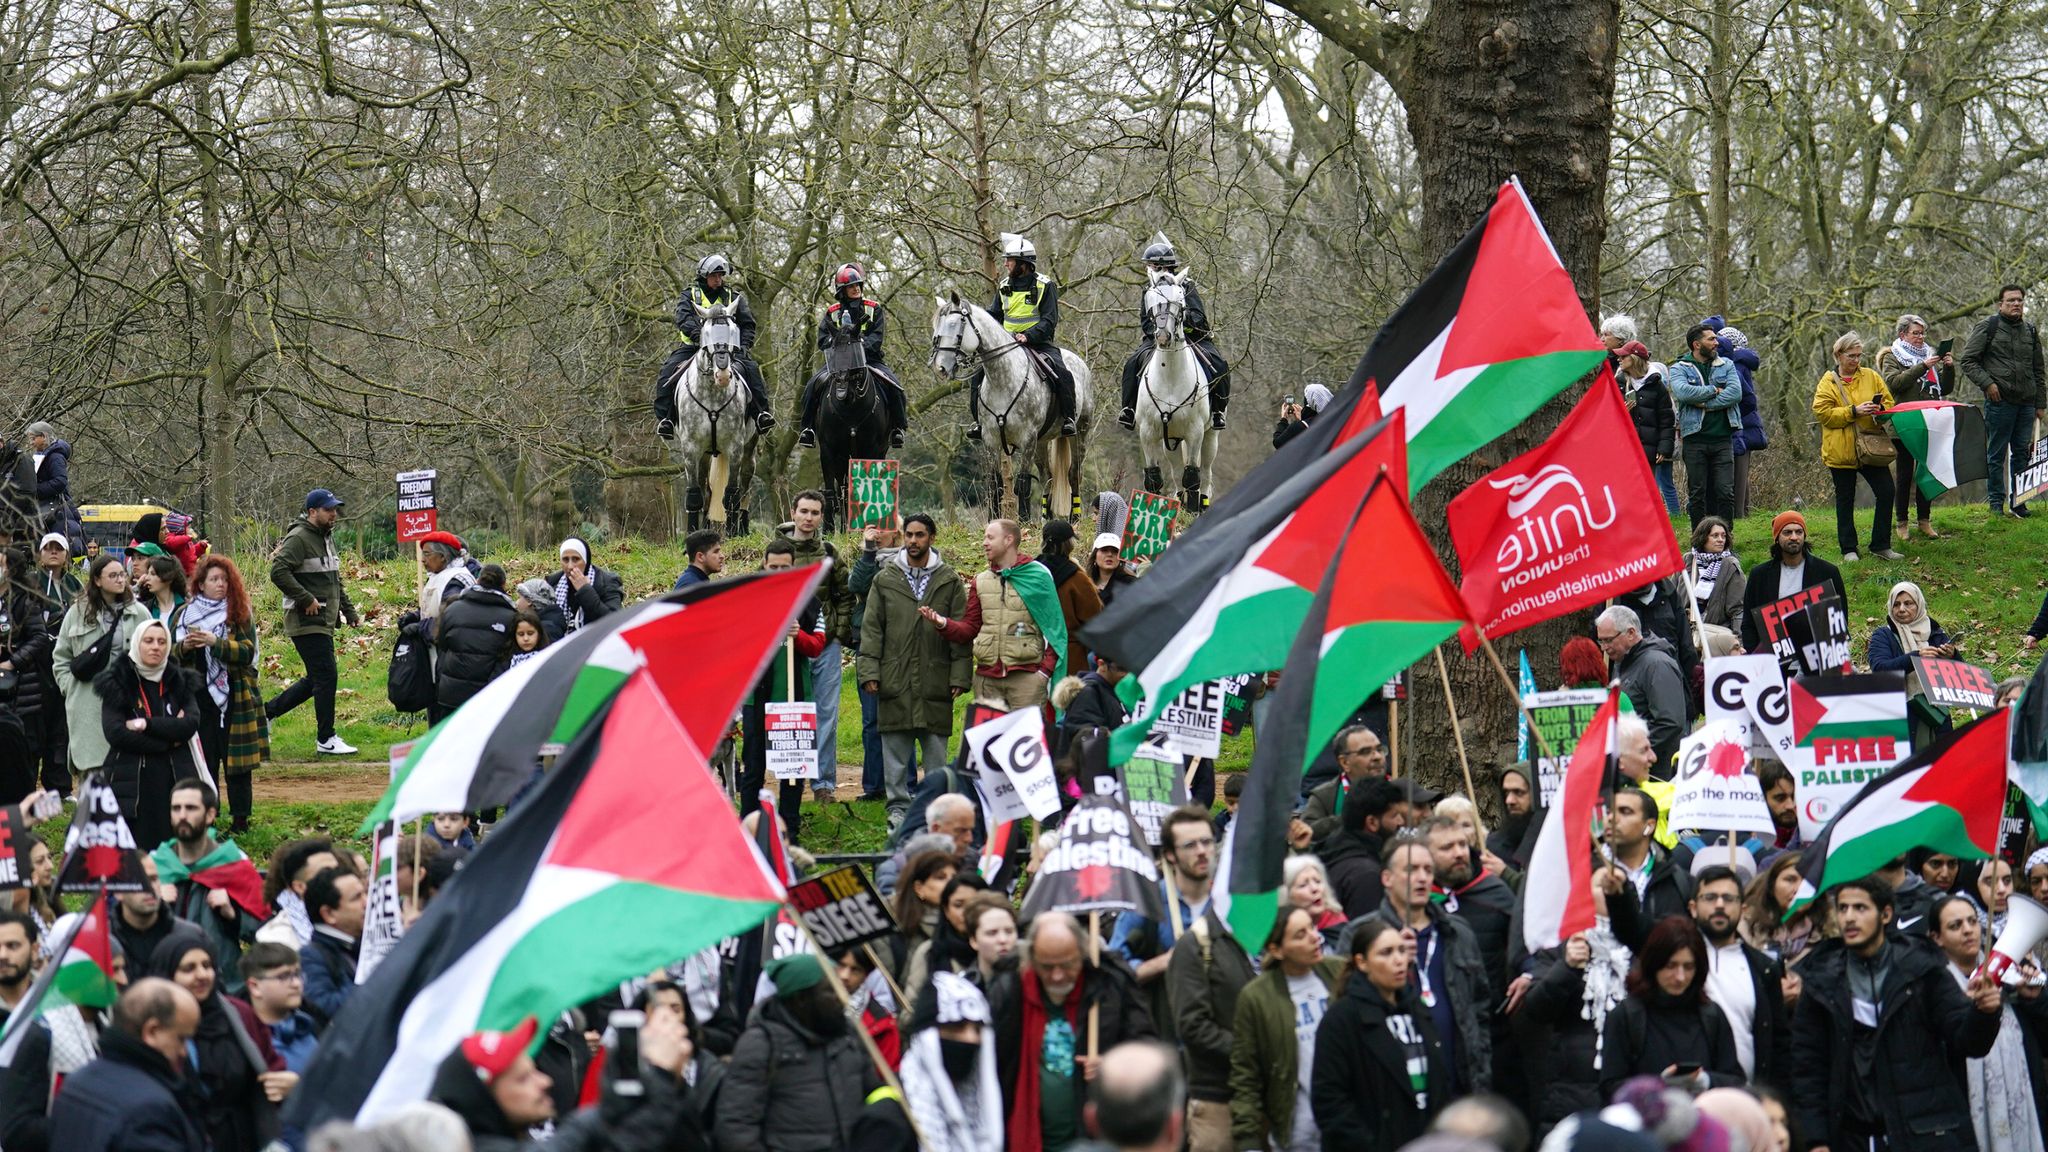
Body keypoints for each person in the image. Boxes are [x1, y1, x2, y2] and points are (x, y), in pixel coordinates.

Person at [1791, 875, 2003, 1152]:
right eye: (1842, 909)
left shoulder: (1922, 969)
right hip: (1853, 1137)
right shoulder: (1822, 981)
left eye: (1860, 908)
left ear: (1886, 914)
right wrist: (1815, 1140)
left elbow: (1968, 1041)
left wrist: (1984, 1013)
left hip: (1926, 1135)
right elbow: (1808, 1068)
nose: (1849, 918)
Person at [987, 911, 1154, 1151]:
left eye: (1067, 965)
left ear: (1082, 954)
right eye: (1046, 967)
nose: (1057, 976)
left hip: (1097, 1138)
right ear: (1031, 958)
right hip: (1025, 1135)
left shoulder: (1111, 984)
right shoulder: (1008, 988)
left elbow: (1148, 1050)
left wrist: (1114, 1065)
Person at [1345, 835, 1491, 1095]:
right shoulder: (1361, 934)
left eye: (1427, 869)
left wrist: (1481, 1068)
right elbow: (1347, 1005)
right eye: (1411, 870)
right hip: (1395, 1089)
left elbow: (1479, 1007)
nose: (1422, 878)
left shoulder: (1457, 931)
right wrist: (1390, 958)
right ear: (1387, 878)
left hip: (1459, 1085)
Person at [858, 513, 969, 827]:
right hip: (895, 675)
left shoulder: (948, 580)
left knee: (935, 751)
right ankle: (898, 809)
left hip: (936, 676)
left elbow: (960, 630)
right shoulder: (885, 578)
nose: (913, 541)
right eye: (909, 535)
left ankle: (934, 810)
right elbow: (872, 630)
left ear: (932, 537)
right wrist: (869, 672)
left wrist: (960, 674)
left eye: (920, 535)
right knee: (894, 744)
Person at [1312, 916, 1449, 1151]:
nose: (1399, 961)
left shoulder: (1417, 1007)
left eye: (1402, 951)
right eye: (1386, 953)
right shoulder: (1342, 1019)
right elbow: (1329, 1100)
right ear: (1362, 962)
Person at [1928, 892, 2048, 1151]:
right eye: (1955, 925)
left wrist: (2035, 1000)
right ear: (1936, 938)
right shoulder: (1931, 990)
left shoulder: (2010, 980)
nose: (1968, 930)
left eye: (1972, 921)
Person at [150, 929, 289, 1152]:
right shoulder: (155, 1027)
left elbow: (269, 1066)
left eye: (207, 965)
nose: (202, 975)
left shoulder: (238, 1014)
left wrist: (285, 1083)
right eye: (189, 968)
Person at [715, 954, 871, 1152]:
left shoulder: (848, 1036)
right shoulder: (761, 1044)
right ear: (801, 999)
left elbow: (874, 1092)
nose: (841, 998)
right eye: (830, 991)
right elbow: (735, 1127)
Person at [1217, 902, 1339, 1151]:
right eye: (1300, 935)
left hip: (1347, 1124)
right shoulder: (1257, 998)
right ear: (1277, 949)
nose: (1315, 938)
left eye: (1312, 928)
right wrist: (1248, 1140)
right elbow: (1246, 1073)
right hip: (1299, 1132)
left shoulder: (1339, 972)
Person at [47, 977, 207, 1152]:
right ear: (152, 1031)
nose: (184, 1051)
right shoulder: (150, 1110)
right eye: (181, 1039)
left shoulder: (78, 1081)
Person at [1596, 915, 1744, 1098]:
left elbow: (1735, 1081)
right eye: (1671, 966)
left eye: (1688, 967)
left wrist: (1706, 1081)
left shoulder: (1711, 1015)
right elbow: (1610, 1086)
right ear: (1654, 964)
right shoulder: (1627, 1016)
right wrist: (1658, 1086)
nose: (1680, 976)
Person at [854, 971, 1001, 1152]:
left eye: (977, 1030)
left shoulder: (981, 1114)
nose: (971, 1038)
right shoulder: (887, 1119)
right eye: (957, 1026)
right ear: (927, 1038)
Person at [738, 540, 827, 837]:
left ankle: (790, 826)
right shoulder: (749, 599)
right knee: (753, 767)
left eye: (784, 567)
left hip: (793, 698)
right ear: (764, 565)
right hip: (756, 698)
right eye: (772, 566)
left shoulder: (808, 601)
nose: (778, 572)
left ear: (793, 566)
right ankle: (749, 827)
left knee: (793, 769)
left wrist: (797, 634)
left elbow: (817, 646)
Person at [167, 557, 264, 828]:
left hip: (234, 695)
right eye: (214, 580)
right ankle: (208, 817)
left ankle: (241, 820)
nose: (220, 584)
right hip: (197, 698)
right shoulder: (183, 614)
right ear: (200, 584)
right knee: (204, 761)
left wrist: (215, 643)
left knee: (237, 763)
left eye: (224, 579)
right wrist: (185, 647)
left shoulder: (239, 613)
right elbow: (170, 657)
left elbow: (247, 652)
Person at [929, 519, 1064, 713]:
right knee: (989, 743)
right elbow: (970, 628)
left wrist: (1043, 674)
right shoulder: (981, 581)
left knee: (1025, 743)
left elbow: (1055, 630)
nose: (984, 542)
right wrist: (943, 623)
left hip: (1027, 681)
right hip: (987, 680)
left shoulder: (1038, 576)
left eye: (990, 537)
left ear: (1008, 540)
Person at [265, 489, 360, 756]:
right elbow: (278, 571)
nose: (334, 514)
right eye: (329, 509)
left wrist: (349, 611)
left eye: (335, 509)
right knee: (326, 676)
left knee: (317, 678)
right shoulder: (299, 538)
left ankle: (266, 713)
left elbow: (334, 579)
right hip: (306, 619)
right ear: (312, 512)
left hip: (323, 619)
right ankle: (326, 738)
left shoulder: (326, 538)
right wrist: (305, 598)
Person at [150, 779, 265, 996]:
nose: (182, 815)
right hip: (164, 988)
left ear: (210, 815)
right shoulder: (155, 866)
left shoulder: (233, 863)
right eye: (176, 809)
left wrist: (234, 914)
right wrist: (153, 906)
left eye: (191, 808)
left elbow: (267, 930)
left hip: (224, 989)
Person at [777, 492, 856, 805]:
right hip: (786, 645)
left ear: (822, 517)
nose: (808, 518)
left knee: (826, 713)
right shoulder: (778, 551)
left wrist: (837, 634)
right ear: (793, 513)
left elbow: (845, 594)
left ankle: (823, 783)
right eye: (804, 511)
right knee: (790, 713)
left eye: (815, 513)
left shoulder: (829, 552)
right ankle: (788, 776)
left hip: (825, 645)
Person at [1109, 807, 1216, 1033]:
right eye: (1190, 845)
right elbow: (1113, 968)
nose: (1202, 851)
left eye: (1206, 842)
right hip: (1164, 1033)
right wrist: (1162, 963)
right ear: (1169, 854)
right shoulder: (1149, 904)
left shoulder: (1227, 903)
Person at [96, 620, 199, 850]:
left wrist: (146, 725)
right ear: (137, 643)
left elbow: (190, 723)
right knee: (135, 855)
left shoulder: (179, 681)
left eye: (162, 642)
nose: (156, 647)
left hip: (174, 778)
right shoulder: (119, 682)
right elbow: (116, 733)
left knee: (174, 850)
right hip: (132, 781)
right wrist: (169, 740)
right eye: (149, 641)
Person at [1690, 864, 1792, 1090]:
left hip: (1748, 1098)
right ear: (1693, 907)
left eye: (1728, 898)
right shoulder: (1677, 962)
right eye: (1710, 897)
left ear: (1743, 908)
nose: (1719, 905)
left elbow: (1779, 1043)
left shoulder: (1764, 968)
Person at [1164, 897, 1254, 1152]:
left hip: (1264, 1097)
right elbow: (1193, 1025)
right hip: (1218, 1099)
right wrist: (1250, 1053)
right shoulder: (1196, 945)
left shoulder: (1266, 937)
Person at [967, 233, 1077, 441]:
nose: (1006, 264)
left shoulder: (1045, 285)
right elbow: (995, 315)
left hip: (1038, 344)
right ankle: (979, 423)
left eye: (1010, 260)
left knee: (1062, 373)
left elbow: (1049, 319)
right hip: (1007, 346)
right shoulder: (1004, 285)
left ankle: (1068, 418)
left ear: (1023, 263)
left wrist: (1028, 336)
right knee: (977, 376)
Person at [655, 253, 775, 437]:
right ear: (704, 276)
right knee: (668, 372)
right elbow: (683, 318)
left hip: (728, 350)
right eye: (714, 276)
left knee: (751, 369)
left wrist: (744, 345)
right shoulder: (690, 295)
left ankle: (761, 414)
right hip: (694, 348)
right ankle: (667, 419)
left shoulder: (733, 297)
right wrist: (700, 336)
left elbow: (747, 324)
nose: (718, 280)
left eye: (720, 275)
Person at [1117, 238, 1230, 432]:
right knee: (1131, 364)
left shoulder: (1186, 285)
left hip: (1193, 338)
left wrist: (1178, 325)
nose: (1148, 268)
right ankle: (1128, 409)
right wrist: (1159, 332)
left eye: (1150, 265)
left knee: (1220, 364)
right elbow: (1145, 321)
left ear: (1162, 266)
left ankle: (1218, 410)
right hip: (1156, 339)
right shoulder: (1148, 289)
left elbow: (1199, 316)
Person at [797, 262, 908, 449]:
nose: (856, 289)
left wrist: (861, 346)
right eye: (851, 286)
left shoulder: (874, 308)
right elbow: (823, 339)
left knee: (895, 386)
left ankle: (898, 428)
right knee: (811, 386)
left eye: (858, 285)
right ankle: (808, 429)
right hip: (838, 363)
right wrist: (837, 344)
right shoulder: (831, 312)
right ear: (842, 290)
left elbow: (877, 337)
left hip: (870, 360)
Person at [1814, 331, 1904, 561]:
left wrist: (1880, 411)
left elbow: (1888, 404)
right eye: (1851, 356)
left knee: (1886, 491)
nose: (1856, 360)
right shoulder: (1827, 382)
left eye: (1859, 355)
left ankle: (1881, 544)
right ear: (1839, 355)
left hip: (1871, 448)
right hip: (1840, 451)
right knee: (1845, 500)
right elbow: (1823, 414)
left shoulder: (1871, 376)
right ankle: (1849, 549)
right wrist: (1854, 411)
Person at [1960, 283, 2045, 517]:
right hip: (2000, 403)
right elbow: (1967, 360)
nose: (2016, 304)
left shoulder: (2030, 330)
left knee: (2021, 453)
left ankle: (2019, 502)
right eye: (2011, 301)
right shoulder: (1989, 326)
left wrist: (2041, 403)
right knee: (1996, 454)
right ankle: (1996, 503)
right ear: (2001, 304)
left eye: (2019, 300)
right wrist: (1988, 384)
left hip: (2027, 403)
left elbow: (2038, 369)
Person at [1877, 314, 1957, 538]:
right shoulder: (1892, 356)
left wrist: (1948, 368)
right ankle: (1901, 523)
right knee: (1905, 474)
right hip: (1904, 424)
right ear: (1903, 334)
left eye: (1922, 333)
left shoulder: (1929, 356)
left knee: (1927, 471)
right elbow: (1894, 383)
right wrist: (1922, 366)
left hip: (1929, 422)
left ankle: (1924, 520)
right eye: (1916, 333)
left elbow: (1945, 388)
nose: (1921, 337)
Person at [1667, 323, 1744, 527]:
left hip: (1722, 440)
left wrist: (1704, 404)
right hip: (1695, 440)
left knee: (1725, 492)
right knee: (1697, 493)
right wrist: (1714, 389)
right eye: (1711, 339)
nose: (1716, 342)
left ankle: (1725, 539)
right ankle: (1699, 540)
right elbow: (1683, 393)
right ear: (1696, 344)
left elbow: (1735, 393)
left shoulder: (1726, 364)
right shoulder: (1678, 368)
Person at [1601, 786, 1695, 952]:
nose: (1611, 818)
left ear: (1649, 826)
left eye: (1625, 811)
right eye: (1609, 811)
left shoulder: (1679, 882)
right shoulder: (1585, 873)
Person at [1739, 510, 1848, 653]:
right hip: (1773, 661)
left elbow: (1840, 617)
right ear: (1777, 537)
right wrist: (1756, 656)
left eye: (1799, 532)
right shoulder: (1759, 575)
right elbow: (1749, 622)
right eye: (1787, 532)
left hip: (1816, 659)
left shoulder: (1827, 572)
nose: (1794, 537)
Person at [1869, 579, 1960, 744]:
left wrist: (1952, 656)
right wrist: (1916, 657)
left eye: (1908, 603)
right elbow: (1880, 669)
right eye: (1896, 604)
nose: (1901, 609)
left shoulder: (1935, 633)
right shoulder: (1883, 635)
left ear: (1918, 604)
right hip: (1900, 715)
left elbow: (1960, 676)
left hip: (1937, 714)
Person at [1597, 605, 1686, 772]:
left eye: (1608, 640)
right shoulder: (1622, 662)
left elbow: (1670, 722)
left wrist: (1632, 750)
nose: (1604, 648)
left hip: (1660, 771)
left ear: (1631, 633)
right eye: (1601, 641)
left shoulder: (1657, 665)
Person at [26, 534, 79, 793]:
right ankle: (26, 784)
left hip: (66, 664)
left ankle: (59, 785)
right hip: (37, 664)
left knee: (62, 726)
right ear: (40, 553)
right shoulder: (30, 583)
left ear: (67, 554)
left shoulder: (74, 584)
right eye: (49, 548)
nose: (54, 552)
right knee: (35, 725)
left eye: (59, 548)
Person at [433, 564, 519, 720]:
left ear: (477, 581)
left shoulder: (452, 609)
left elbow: (441, 646)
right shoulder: (511, 617)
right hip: (487, 696)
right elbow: (508, 657)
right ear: (504, 585)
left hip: (450, 694)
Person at [0, 547, 52, 802]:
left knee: (25, 750)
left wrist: (13, 662)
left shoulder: (24, 599)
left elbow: (39, 637)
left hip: (22, 688)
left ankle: (26, 807)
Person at [1320, 777, 1410, 918]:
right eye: (1394, 816)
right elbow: (1369, 933)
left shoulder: (1335, 849)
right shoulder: (1367, 876)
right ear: (1372, 822)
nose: (1401, 822)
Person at [1294, 723, 1388, 847]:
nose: (1377, 757)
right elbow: (1307, 834)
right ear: (1345, 762)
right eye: (1365, 752)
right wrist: (1350, 817)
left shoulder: (1401, 791)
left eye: (1379, 749)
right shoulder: (1324, 796)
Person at [1714, 322, 1770, 518]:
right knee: (1741, 473)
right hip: (1746, 424)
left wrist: (1733, 416)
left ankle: (1738, 514)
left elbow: (1746, 399)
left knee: (1737, 473)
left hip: (1740, 426)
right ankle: (1743, 512)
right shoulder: (1743, 362)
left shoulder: (1734, 365)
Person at [298, 866, 365, 1028]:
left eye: (365, 893)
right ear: (329, 914)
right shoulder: (310, 957)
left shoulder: (361, 943)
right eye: (356, 898)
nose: (367, 902)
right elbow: (325, 1009)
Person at [1036, 520, 1103, 680]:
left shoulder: (1030, 573)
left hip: (1035, 651)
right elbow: (1095, 617)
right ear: (1069, 545)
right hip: (1070, 657)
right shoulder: (1077, 578)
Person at [240, 942, 319, 1074]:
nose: (296, 984)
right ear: (255, 987)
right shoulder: (247, 1043)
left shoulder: (311, 1026)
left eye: (298, 974)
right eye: (284, 976)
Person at [1617, 340, 1676, 509]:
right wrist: (1621, 411)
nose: (1619, 359)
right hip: (1623, 448)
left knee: (1647, 493)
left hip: (1649, 449)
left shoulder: (1657, 386)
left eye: (1623, 355)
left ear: (1634, 358)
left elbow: (1667, 419)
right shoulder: (1618, 383)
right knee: (1624, 492)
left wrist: (1664, 447)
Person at [255, 837, 339, 950]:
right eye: (326, 874)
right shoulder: (276, 937)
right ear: (299, 886)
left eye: (339, 870)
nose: (340, 878)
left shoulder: (351, 913)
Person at [1685, 517, 1748, 657]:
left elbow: (1738, 609)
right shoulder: (1688, 561)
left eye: (1723, 536)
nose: (1721, 539)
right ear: (1703, 537)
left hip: (1716, 638)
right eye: (1715, 536)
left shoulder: (1730, 565)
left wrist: (1738, 643)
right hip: (1685, 636)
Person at [543, 538, 623, 637]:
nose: (570, 566)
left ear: (585, 560)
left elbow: (612, 621)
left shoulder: (606, 582)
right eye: (565, 559)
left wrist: (585, 590)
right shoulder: (553, 583)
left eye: (576, 559)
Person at [1283, 855, 1350, 948]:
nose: (1315, 889)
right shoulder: (1277, 932)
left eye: (1318, 881)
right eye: (1303, 885)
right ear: (1287, 895)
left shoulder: (1341, 928)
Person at [24, 423, 71, 541]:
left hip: (55, 512)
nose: (31, 443)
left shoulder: (55, 457)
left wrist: (35, 490)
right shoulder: (42, 455)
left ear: (44, 437)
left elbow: (60, 482)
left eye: (33, 438)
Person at [1272, 383, 1332, 450]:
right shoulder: (1336, 417)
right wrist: (1302, 419)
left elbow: (1278, 443)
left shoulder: (1299, 426)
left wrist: (1283, 419)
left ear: (1309, 402)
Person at [133, 554, 185, 624]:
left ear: (169, 577)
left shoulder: (186, 606)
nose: (147, 578)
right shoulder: (146, 608)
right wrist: (137, 586)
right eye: (147, 573)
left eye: (153, 574)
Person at [514, 576, 567, 644]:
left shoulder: (547, 629)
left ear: (529, 600)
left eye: (519, 597)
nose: (516, 602)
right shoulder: (548, 621)